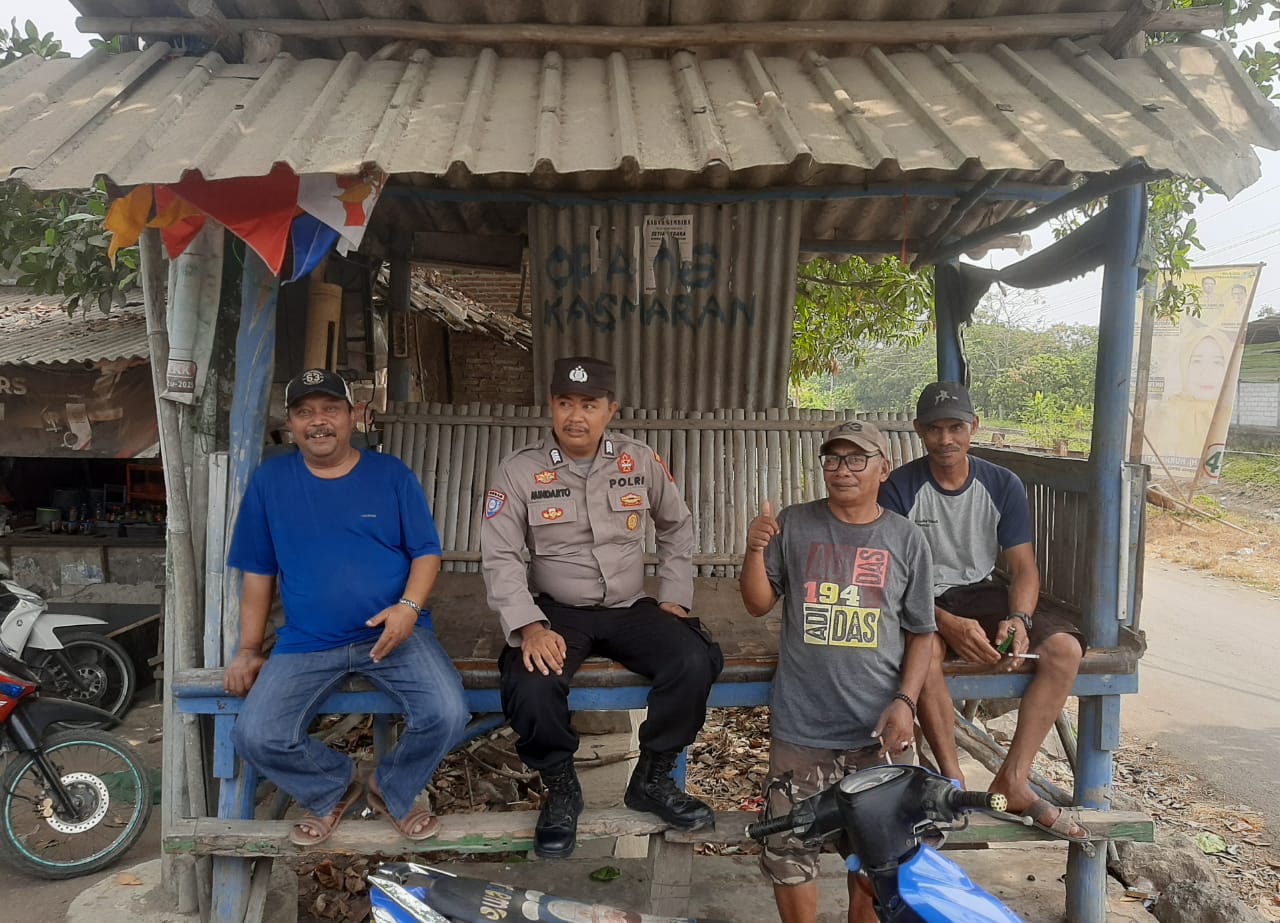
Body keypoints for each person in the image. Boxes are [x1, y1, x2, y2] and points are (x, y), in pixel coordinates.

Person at [481, 356, 722, 859]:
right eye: (565, 403)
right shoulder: (519, 469)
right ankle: (562, 790)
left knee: (693, 658)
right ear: (551, 406)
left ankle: (653, 778)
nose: (576, 416)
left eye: (589, 405)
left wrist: (674, 595)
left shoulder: (639, 460)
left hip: (630, 607)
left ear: (610, 409)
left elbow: (676, 525)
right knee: (530, 682)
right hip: (557, 613)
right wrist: (529, 626)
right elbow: (501, 555)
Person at [224, 368, 469, 846]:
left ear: (353, 416)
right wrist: (249, 649)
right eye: (305, 412)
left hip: (394, 635)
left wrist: (408, 608)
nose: (318, 421)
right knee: (255, 736)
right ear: (290, 424)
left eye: (330, 409)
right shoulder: (270, 482)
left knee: (447, 712)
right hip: (308, 642)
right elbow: (257, 573)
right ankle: (333, 788)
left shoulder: (391, 475)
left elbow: (426, 553)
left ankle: (391, 788)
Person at [740, 420, 940, 923]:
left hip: (879, 733)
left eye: (856, 460)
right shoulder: (796, 524)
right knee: (791, 853)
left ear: (883, 469)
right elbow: (757, 603)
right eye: (833, 459)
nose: (842, 470)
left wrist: (906, 702)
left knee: (881, 858)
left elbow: (922, 633)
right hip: (803, 728)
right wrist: (755, 549)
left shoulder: (906, 539)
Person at [880, 381, 1089, 843]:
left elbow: (1023, 568)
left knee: (1065, 650)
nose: (946, 439)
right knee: (925, 654)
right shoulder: (899, 488)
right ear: (919, 430)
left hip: (982, 591)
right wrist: (943, 621)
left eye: (956, 427)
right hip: (920, 596)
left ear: (973, 427)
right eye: (935, 429)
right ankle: (953, 785)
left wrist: (1019, 620)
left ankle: (1012, 779)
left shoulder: (1001, 484)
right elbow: (890, 577)